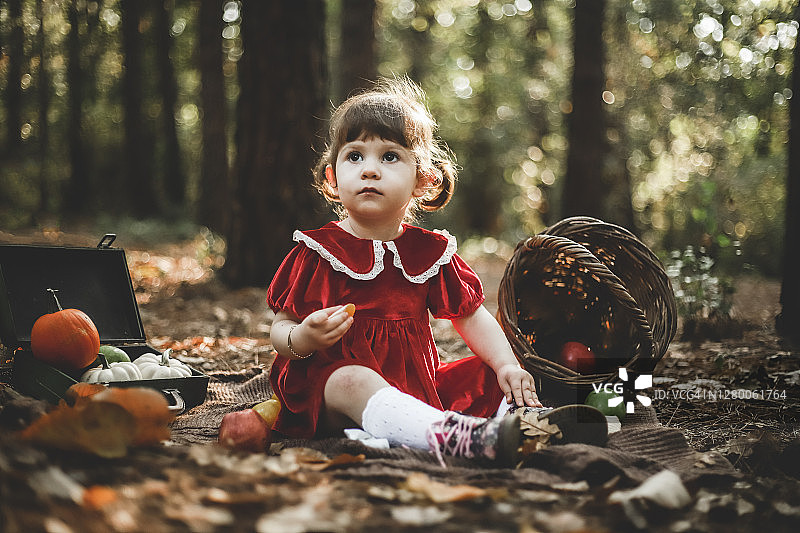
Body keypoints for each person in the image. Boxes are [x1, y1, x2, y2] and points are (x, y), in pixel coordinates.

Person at [267, 78, 547, 466]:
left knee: (494, 371)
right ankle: (452, 437)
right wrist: (302, 336)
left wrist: (506, 365)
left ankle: (522, 428)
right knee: (353, 379)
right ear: (332, 177)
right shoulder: (319, 251)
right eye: (355, 156)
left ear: (423, 179)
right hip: (330, 391)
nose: (369, 170)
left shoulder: (429, 252)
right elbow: (280, 330)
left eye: (389, 157)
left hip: (418, 390)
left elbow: (471, 316)